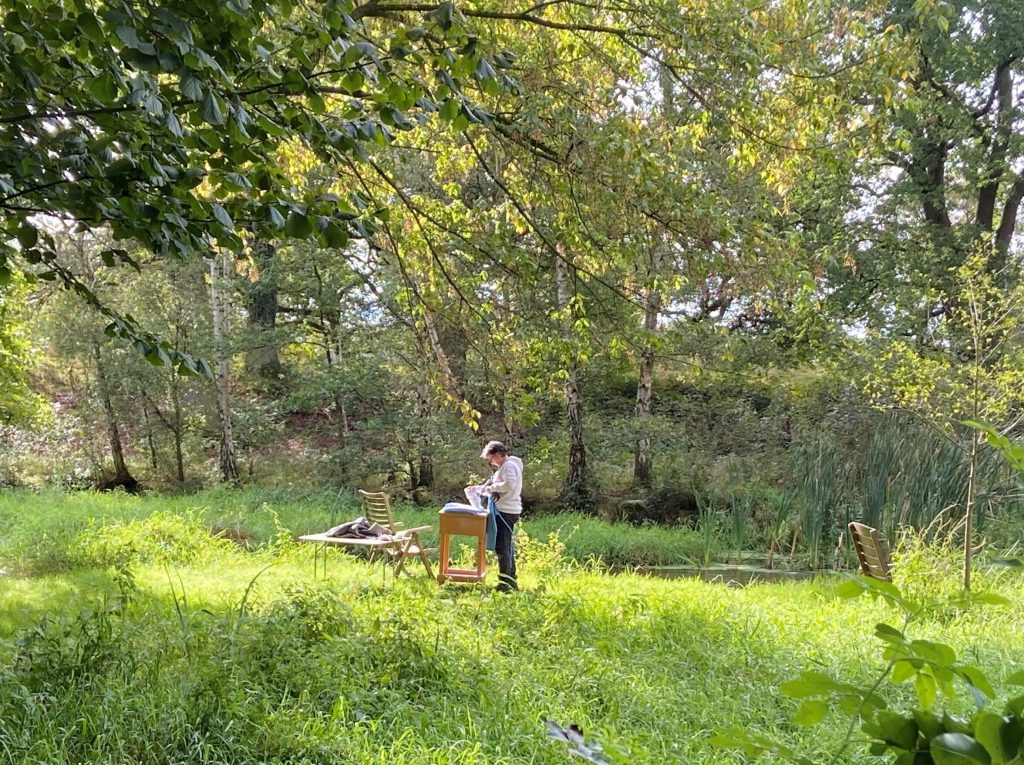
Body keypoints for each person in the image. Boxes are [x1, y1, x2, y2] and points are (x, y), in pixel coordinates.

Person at [470, 440, 523, 592]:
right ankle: (511, 581)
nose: (490, 462)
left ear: (499, 454)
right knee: (506, 547)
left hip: (506, 511)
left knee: (502, 547)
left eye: (491, 458)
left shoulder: (509, 466)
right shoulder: (506, 466)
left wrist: (492, 488)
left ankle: (505, 584)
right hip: (505, 509)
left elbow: (509, 484)